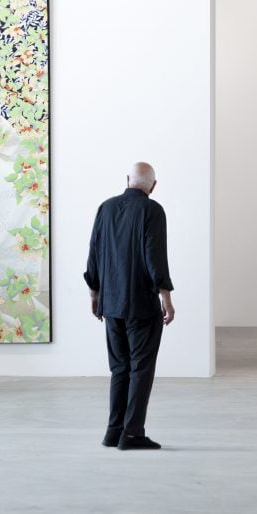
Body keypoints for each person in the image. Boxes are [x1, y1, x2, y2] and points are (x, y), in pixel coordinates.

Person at [84, 162, 176, 450]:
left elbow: (94, 251)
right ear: (153, 185)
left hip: (111, 303)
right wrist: (167, 298)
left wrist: (94, 293)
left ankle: (114, 432)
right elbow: (155, 256)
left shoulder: (106, 208)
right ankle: (133, 433)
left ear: (127, 180)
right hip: (141, 304)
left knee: (119, 368)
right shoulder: (152, 210)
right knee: (141, 368)